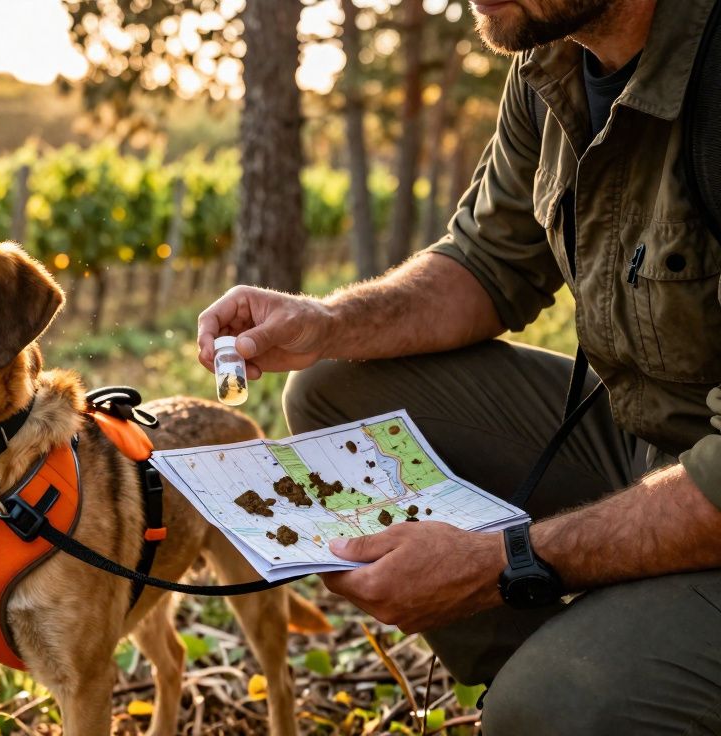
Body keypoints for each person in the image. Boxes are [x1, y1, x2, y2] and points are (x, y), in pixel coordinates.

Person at [197, 0, 721, 732]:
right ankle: (593, 669)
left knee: (551, 704)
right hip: (646, 441)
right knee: (337, 391)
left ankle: (576, 694)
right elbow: (486, 261)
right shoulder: (552, 60)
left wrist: (505, 564)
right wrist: (328, 323)